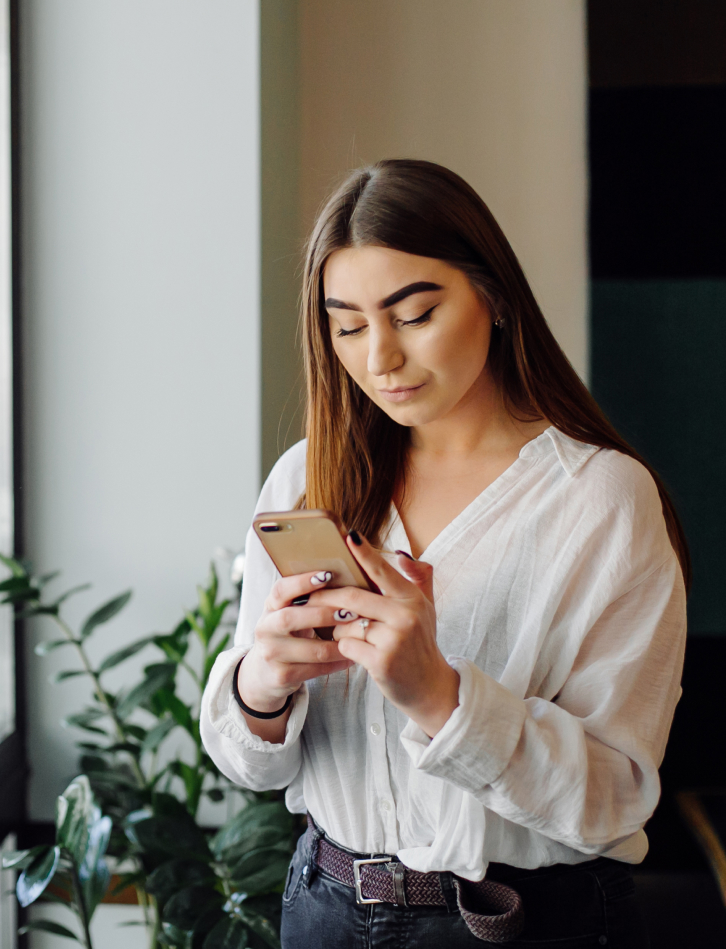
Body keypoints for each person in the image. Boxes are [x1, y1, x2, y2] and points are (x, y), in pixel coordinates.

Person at [200, 160, 686, 948]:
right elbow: (249, 766)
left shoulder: (600, 498)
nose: (380, 359)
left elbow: (615, 799)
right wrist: (263, 684)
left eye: (414, 314)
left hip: (524, 921)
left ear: (495, 297)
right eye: (348, 326)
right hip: (321, 908)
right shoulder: (308, 476)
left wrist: (439, 697)